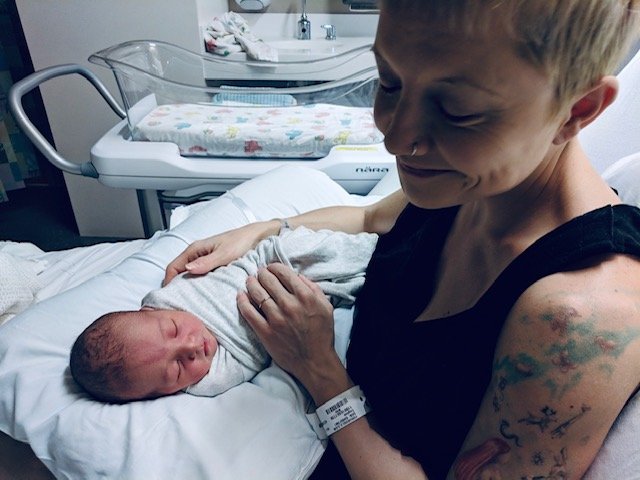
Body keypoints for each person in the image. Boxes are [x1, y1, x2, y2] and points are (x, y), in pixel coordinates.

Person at [164, 1, 640, 479]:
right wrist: (264, 231)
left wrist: (319, 369)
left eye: (457, 111)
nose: (395, 136)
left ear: (577, 110)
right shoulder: (473, 186)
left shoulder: (577, 318)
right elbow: (371, 215)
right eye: (388, 83)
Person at [69, 226, 377, 402]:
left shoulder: (165, 297)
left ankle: (378, 248)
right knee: (359, 293)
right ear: (162, 394)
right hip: (299, 312)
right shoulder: (208, 382)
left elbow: (213, 267)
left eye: (173, 330)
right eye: (176, 370)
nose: (190, 347)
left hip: (274, 259)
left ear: (149, 309)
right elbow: (259, 359)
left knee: (336, 252)